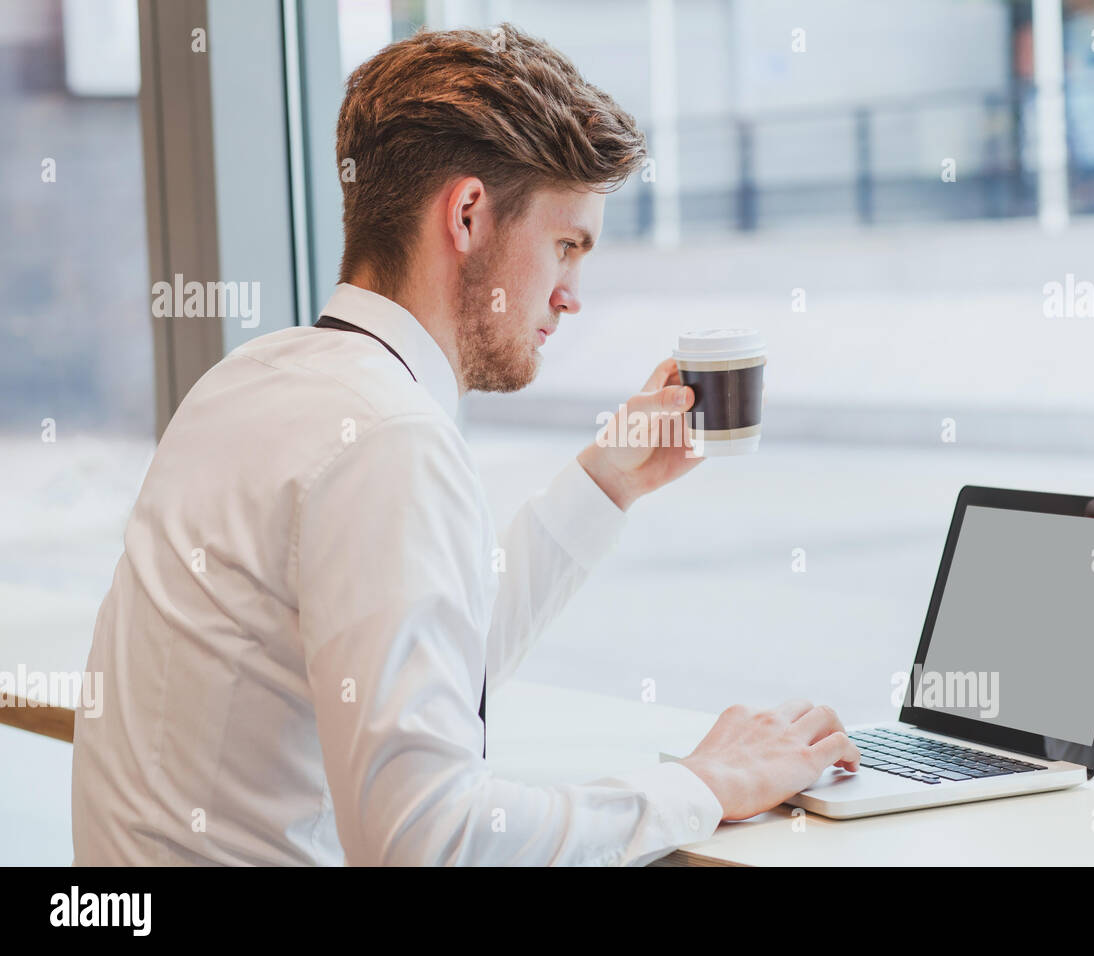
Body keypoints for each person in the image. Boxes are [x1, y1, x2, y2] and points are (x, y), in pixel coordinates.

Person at [70, 23, 859, 866]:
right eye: (566, 246)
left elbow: (420, 656)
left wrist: (605, 484)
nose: (571, 296)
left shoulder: (253, 379)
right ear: (470, 214)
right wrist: (705, 786)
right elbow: (429, 840)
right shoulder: (387, 436)